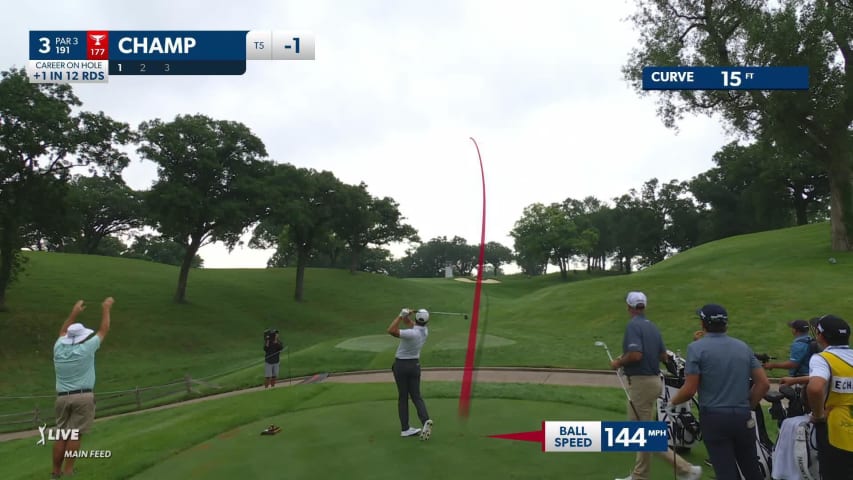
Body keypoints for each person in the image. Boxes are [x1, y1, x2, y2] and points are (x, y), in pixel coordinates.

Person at [667, 304, 770, 480]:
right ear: (725, 324)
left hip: (714, 418)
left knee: (726, 472)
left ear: (703, 324)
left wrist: (672, 402)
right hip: (742, 416)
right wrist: (748, 405)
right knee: (751, 469)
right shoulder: (742, 347)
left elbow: (690, 389)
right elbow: (763, 384)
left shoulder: (696, 348)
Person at [611, 292, 702, 480]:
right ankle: (640, 475)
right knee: (643, 430)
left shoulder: (633, 326)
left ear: (629, 307)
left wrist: (619, 362)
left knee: (638, 433)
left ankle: (686, 469)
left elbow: (635, 355)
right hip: (653, 381)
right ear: (644, 306)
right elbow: (663, 355)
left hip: (641, 383)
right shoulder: (652, 326)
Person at [51, 297, 113, 479]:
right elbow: (104, 330)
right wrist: (106, 308)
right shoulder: (86, 348)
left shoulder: (58, 348)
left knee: (62, 435)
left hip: (62, 397)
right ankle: (69, 470)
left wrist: (74, 312)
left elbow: (62, 330)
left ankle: (55, 472)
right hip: (83, 396)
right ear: (82, 336)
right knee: (75, 435)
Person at [806, 314, 853, 479]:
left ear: (820, 335)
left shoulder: (822, 359)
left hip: (835, 431)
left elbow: (815, 387)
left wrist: (818, 415)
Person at [387, 308, 433, 440]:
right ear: (426, 321)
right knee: (416, 396)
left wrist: (400, 316)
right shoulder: (424, 331)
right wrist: (407, 316)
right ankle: (425, 421)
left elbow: (391, 330)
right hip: (414, 366)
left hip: (401, 366)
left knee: (403, 397)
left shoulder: (411, 334)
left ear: (417, 319)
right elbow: (411, 324)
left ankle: (405, 429)